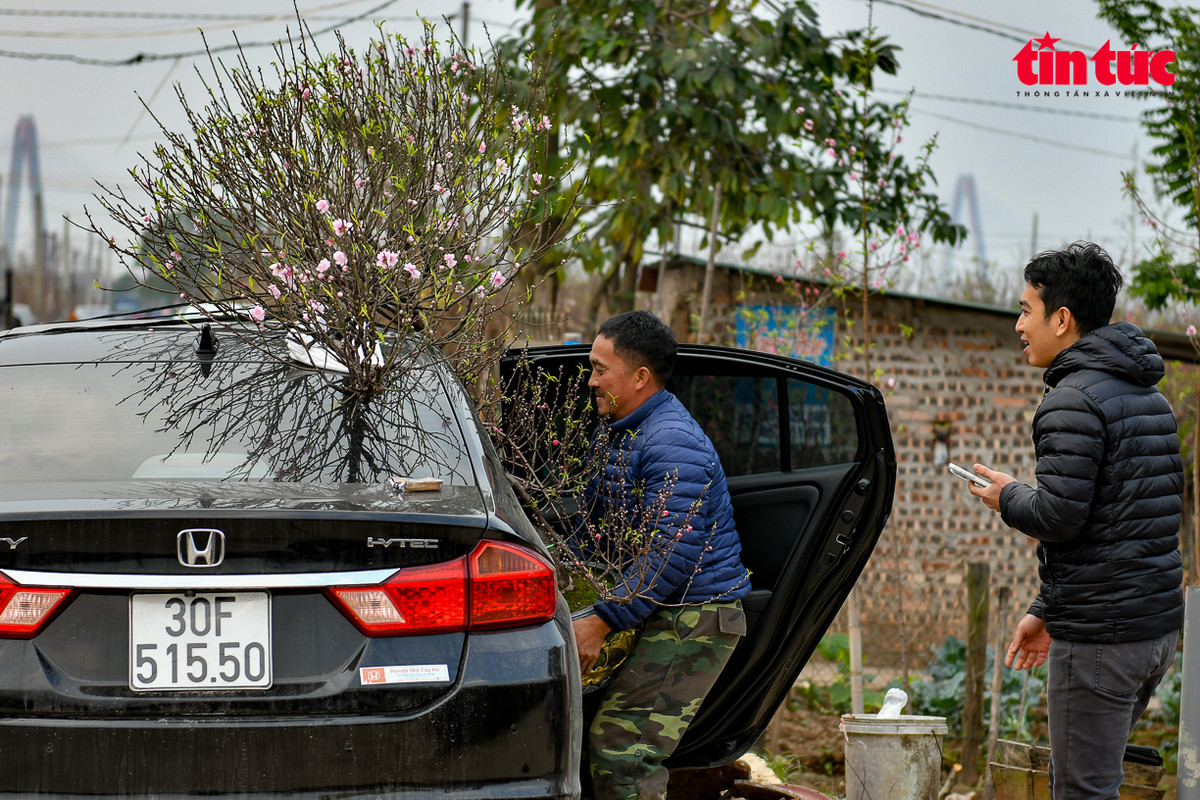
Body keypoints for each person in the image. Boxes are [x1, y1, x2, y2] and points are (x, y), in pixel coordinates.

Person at [968, 241, 1183, 800]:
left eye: (1025, 310)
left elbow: (1060, 516)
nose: (1019, 325)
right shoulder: (1149, 396)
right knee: (1095, 783)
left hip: (1100, 640)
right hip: (1154, 631)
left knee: (1082, 792)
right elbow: (1123, 526)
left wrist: (1007, 496)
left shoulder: (1071, 400)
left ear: (1061, 319)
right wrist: (1046, 609)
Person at [572, 309, 751, 800]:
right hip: (655, 603)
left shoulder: (671, 442)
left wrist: (601, 621)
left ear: (639, 377)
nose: (590, 381)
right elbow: (594, 528)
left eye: (600, 369)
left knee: (623, 752)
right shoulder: (617, 430)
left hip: (695, 614)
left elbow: (668, 556)